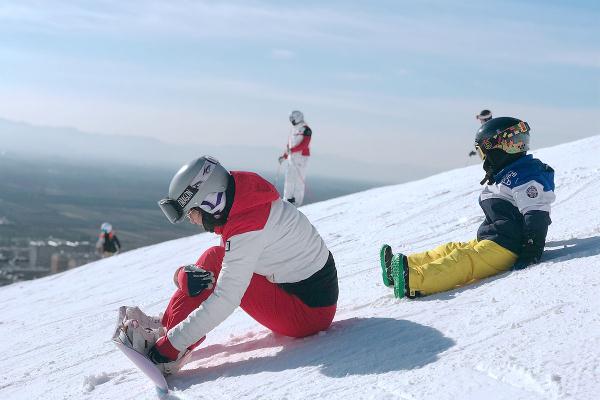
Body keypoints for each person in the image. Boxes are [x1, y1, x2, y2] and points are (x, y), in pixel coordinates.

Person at [115, 156, 338, 374]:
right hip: (300, 294)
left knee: (215, 260)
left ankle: (170, 351)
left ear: (208, 202)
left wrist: (170, 346)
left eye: (192, 212)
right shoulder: (244, 203)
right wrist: (181, 276)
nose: (192, 220)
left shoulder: (248, 226)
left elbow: (226, 298)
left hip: (307, 315)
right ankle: (167, 325)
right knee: (214, 258)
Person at [379, 117, 555, 299]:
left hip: (508, 247)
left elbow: (537, 214)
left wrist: (531, 252)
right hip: (495, 240)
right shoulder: (509, 174)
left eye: (521, 142)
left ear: (493, 149)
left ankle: (413, 281)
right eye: (516, 142)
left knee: (464, 260)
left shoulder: (525, 175)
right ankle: (402, 267)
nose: (520, 146)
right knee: (451, 249)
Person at [278, 110, 312, 206]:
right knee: (289, 178)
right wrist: (284, 156)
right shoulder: (293, 130)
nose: (291, 121)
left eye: (292, 119)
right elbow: (289, 145)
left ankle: (297, 201)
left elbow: (304, 144)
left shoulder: (306, 129)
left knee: (298, 180)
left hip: (301, 158)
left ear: (298, 117)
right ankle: (287, 199)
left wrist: (291, 151)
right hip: (291, 158)